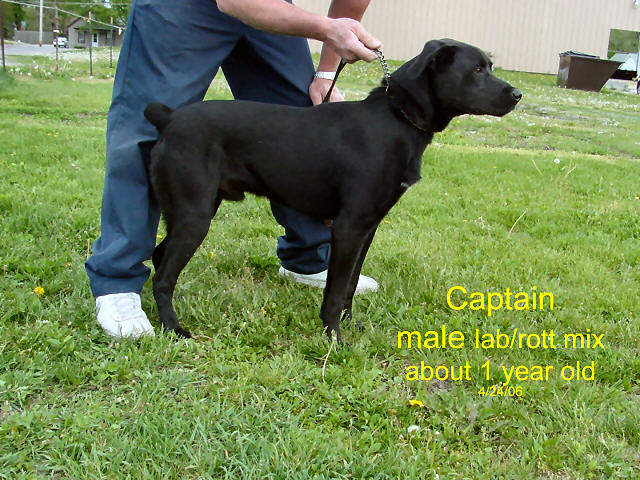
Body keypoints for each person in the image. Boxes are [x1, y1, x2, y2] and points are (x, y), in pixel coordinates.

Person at [85, 0, 383, 338]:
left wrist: (326, 72)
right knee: (147, 131)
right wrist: (327, 29)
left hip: (272, 4)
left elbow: (350, 3)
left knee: (303, 119)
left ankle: (308, 256)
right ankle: (117, 279)